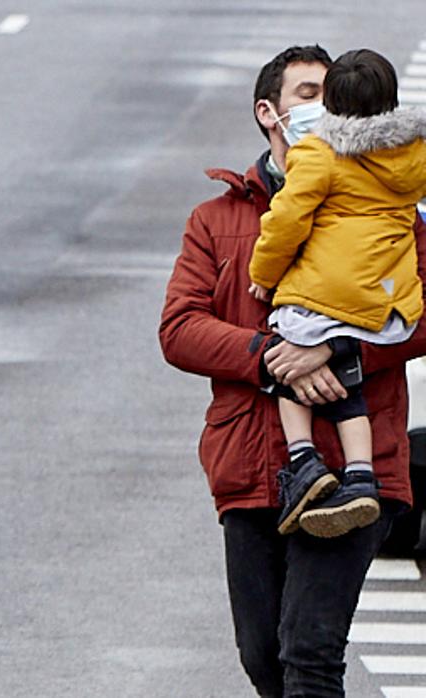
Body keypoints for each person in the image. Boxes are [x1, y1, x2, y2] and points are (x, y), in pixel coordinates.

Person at [160, 45, 426, 697]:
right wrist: (272, 360)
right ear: (269, 113)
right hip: (251, 469)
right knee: (263, 656)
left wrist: (338, 354)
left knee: (310, 652)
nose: (322, 106)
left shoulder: (390, 207)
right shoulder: (218, 219)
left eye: (329, 94)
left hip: (353, 468)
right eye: (307, 93)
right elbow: (180, 328)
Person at [248, 48, 426, 539]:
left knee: (288, 359)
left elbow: (286, 221)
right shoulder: (413, 156)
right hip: (389, 301)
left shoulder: (319, 152)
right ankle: (362, 474)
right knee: (348, 382)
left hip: (326, 292)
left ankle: (304, 459)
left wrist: (264, 271)